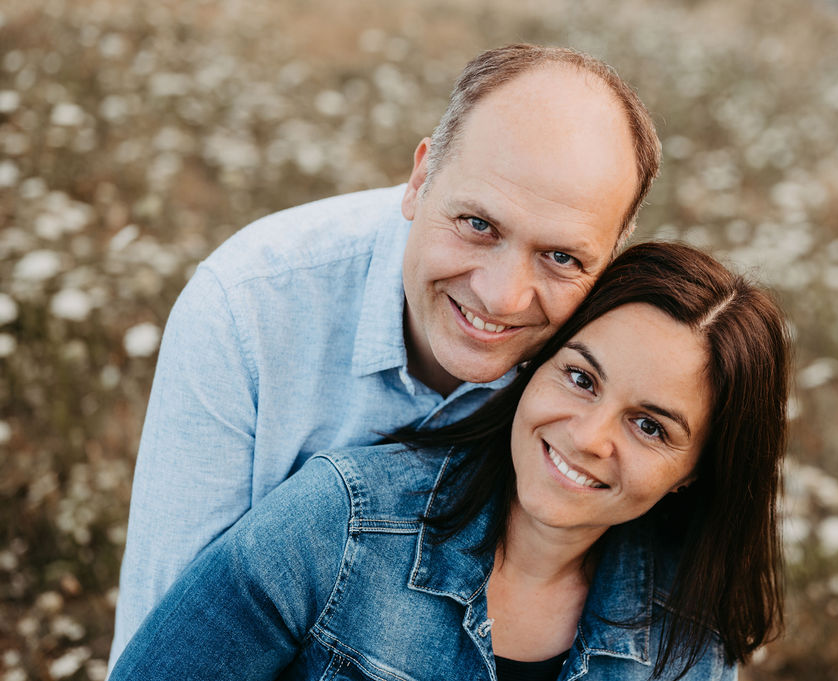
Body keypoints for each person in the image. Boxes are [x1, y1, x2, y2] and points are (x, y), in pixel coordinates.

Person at [111, 44, 661, 663]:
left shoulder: (606, 356)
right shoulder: (247, 309)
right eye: (479, 225)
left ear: (610, 258)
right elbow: (169, 647)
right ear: (421, 179)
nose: (502, 297)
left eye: (561, 257)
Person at [109, 242, 789, 681]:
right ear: (537, 365)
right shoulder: (340, 522)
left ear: (698, 469)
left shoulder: (687, 643)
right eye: (581, 379)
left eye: (649, 425)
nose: (587, 437)